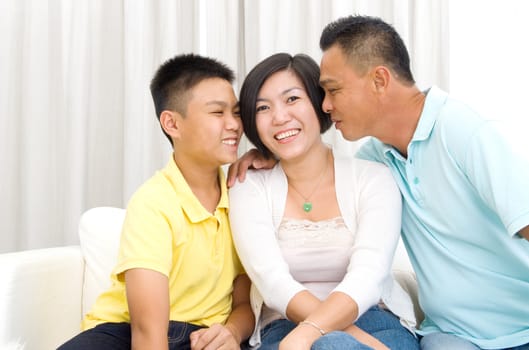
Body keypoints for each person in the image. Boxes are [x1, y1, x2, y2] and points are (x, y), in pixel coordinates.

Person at [229, 15, 529, 350]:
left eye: (333, 90)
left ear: (379, 81)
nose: (326, 104)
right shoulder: (376, 159)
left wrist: (312, 329)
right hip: (452, 334)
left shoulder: (463, 132)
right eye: (263, 108)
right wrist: (274, 154)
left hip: (522, 325)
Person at [58, 54, 254, 350]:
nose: (234, 125)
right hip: (125, 334)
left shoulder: (241, 197)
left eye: (236, 113)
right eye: (217, 113)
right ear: (172, 123)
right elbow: (147, 329)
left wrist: (231, 332)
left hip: (204, 336)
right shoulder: (154, 203)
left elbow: (243, 303)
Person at [228, 52, 419, 350]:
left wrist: (331, 335)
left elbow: (369, 274)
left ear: (321, 104)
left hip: (376, 321)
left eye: (292, 99)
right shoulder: (247, 186)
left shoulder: (373, 178)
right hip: (283, 327)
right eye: (263, 107)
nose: (279, 117)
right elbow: (272, 282)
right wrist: (338, 337)